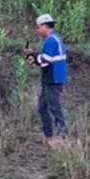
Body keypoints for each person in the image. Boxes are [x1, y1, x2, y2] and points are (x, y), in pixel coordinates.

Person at [25, 14, 67, 142]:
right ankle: (48, 135)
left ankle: (61, 136)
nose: (38, 30)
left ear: (44, 26)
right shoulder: (56, 38)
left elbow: (46, 59)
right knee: (42, 106)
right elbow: (46, 59)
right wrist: (34, 57)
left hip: (52, 78)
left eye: (39, 27)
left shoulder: (50, 40)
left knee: (54, 107)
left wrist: (33, 57)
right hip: (53, 77)